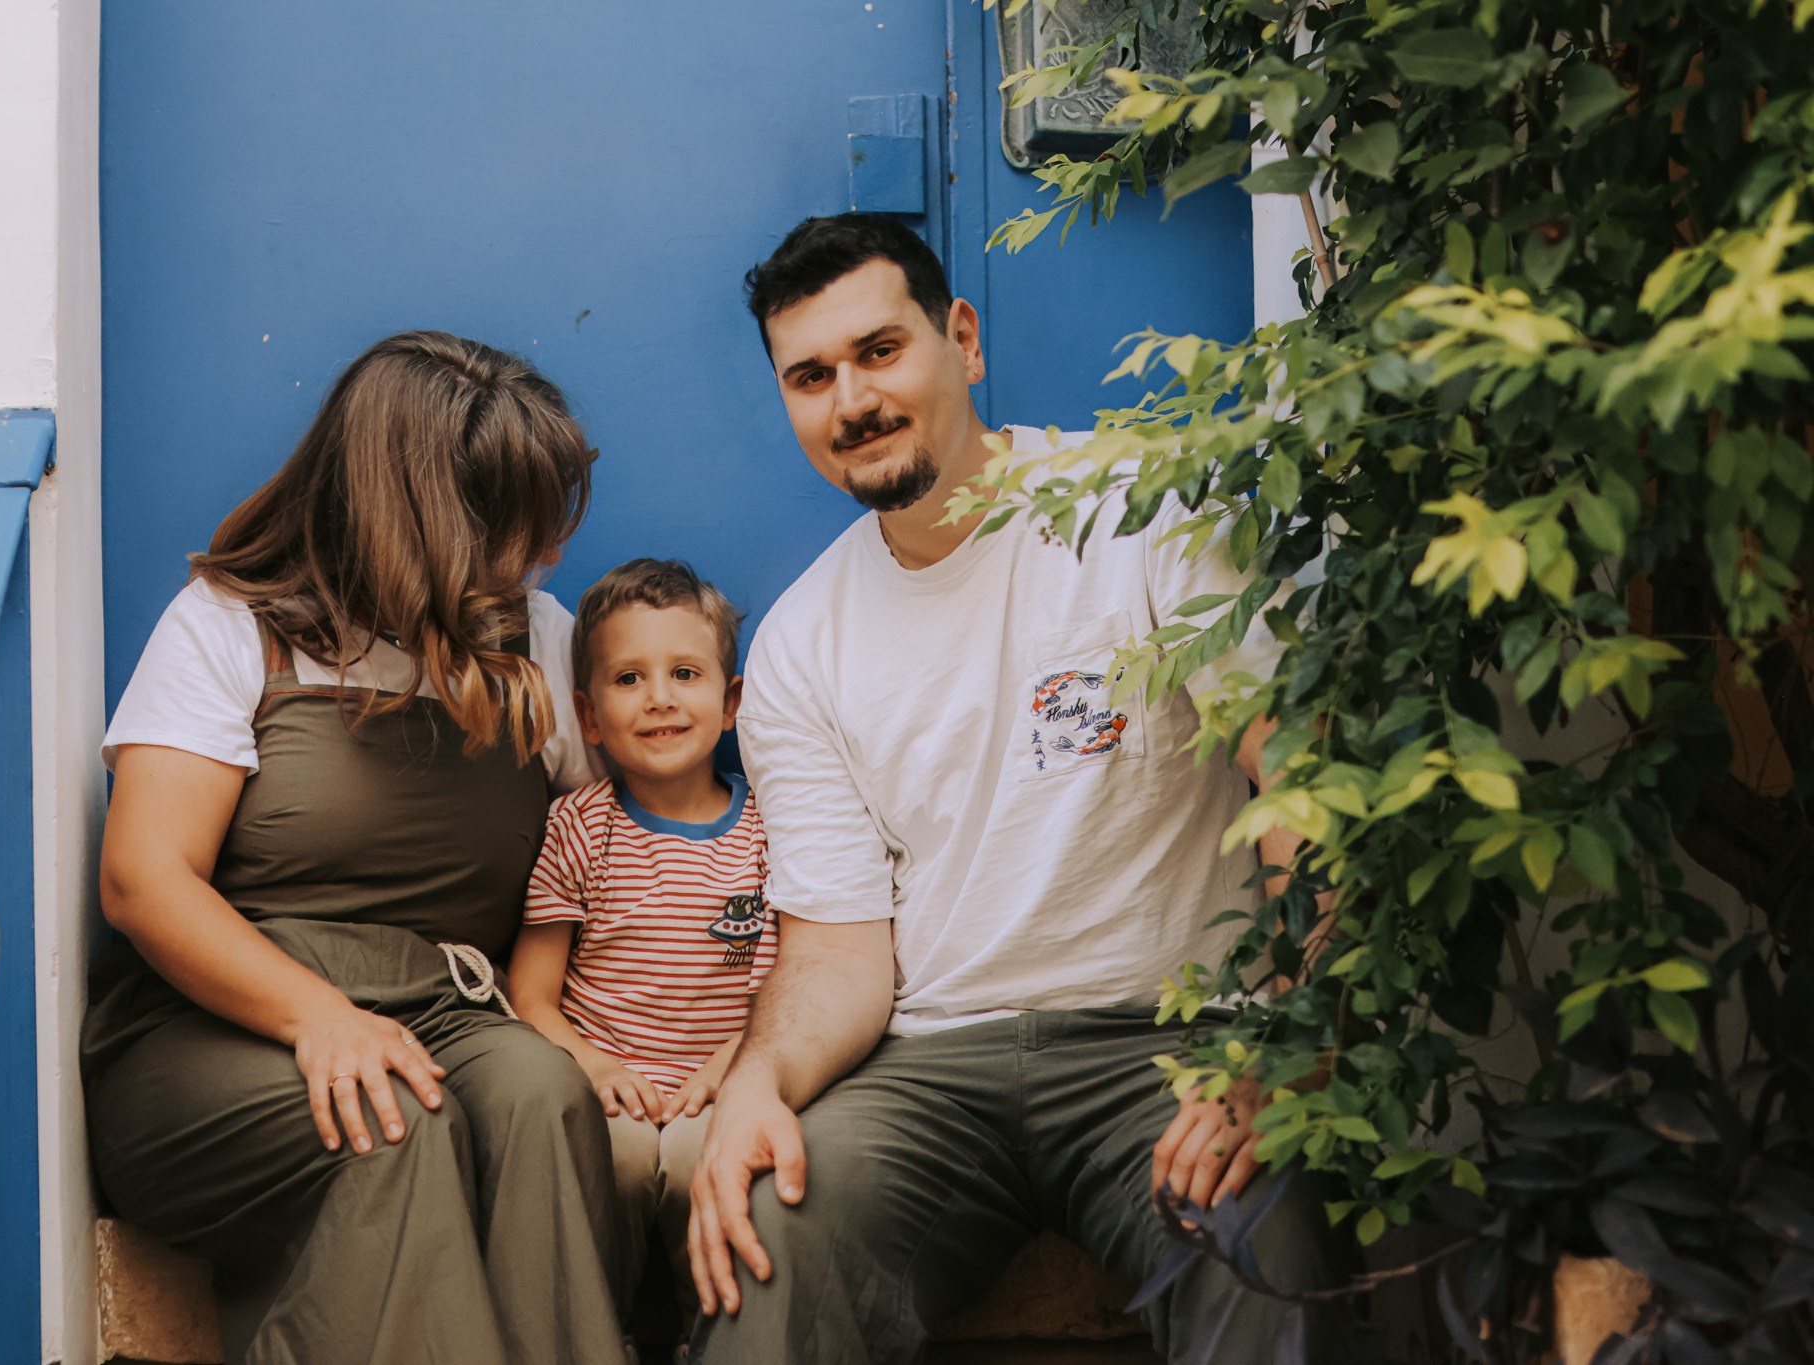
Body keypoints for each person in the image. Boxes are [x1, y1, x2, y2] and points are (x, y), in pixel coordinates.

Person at [684, 217, 1351, 1364]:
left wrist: (1280, 1051)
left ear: (962, 339)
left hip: (1169, 1045)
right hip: (930, 1076)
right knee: (771, 1249)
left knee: (1263, 1243)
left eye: (878, 351)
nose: (850, 400)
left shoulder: (1148, 514)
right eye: (810, 377)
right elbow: (837, 951)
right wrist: (758, 1084)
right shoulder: (800, 644)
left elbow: (1303, 791)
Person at [82, 331, 627, 1365]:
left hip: (450, 1006)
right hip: (217, 1033)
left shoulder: (538, 642)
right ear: (419, 518)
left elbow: (614, 854)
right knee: (389, 1119)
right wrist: (318, 1019)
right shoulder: (227, 628)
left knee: (538, 1099)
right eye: (515, 528)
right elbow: (143, 883)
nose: (546, 556)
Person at [507, 559, 773, 1339]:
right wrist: (593, 1066)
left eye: (684, 673)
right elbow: (531, 995)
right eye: (629, 679)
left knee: (702, 1164)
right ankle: (597, 1333)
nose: (659, 697)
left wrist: (738, 1062)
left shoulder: (770, 833)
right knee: (612, 1162)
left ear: (729, 704)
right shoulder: (579, 828)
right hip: (609, 1085)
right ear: (588, 717)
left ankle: (719, 1340)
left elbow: (792, 981)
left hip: (723, 1085)